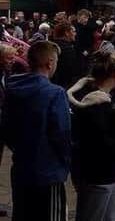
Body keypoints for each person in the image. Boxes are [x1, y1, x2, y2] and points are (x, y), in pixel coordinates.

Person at [67, 52, 115, 221]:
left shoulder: (86, 98)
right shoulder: (102, 107)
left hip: (91, 171)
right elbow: (103, 143)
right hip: (100, 173)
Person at [2, 41, 71, 221]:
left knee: (23, 214)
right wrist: (65, 160)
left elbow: (6, 127)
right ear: (49, 62)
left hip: (21, 167)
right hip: (48, 171)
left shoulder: (12, 88)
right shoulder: (55, 93)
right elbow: (62, 134)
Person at [51, 22, 80, 89]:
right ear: (67, 33)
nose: (75, 34)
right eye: (73, 31)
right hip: (63, 85)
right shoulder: (68, 49)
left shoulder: (51, 44)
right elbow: (69, 71)